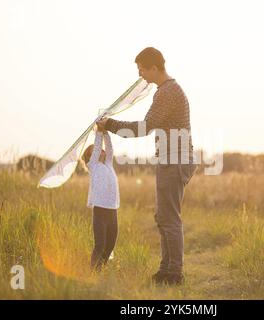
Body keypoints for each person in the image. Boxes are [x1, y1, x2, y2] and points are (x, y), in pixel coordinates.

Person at [96, 47, 197, 285]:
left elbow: (144, 127)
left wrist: (109, 124)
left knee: (169, 218)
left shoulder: (167, 92)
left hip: (174, 159)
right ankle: (166, 269)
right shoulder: (167, 90)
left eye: (141, 68)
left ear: (154, 67)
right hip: (171, 158)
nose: (140, 74)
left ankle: (175, 273)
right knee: (163, 216)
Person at [82, 128, 120, 271]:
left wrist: (105, 132)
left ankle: (100, 269)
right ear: (90, 156)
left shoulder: (108, 164)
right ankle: (93, 271)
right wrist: (98, 133)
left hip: (112, 210)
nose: (102, 150)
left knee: (110, 244)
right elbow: (98, 147)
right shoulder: (93, 166)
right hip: (100, 211)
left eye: (102, 150)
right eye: (97, 151)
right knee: (100, 245)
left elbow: (109, 148)